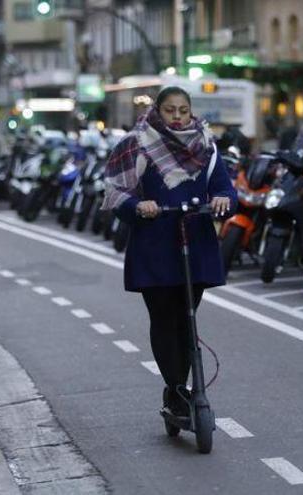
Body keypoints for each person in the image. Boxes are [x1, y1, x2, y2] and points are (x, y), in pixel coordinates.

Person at [102, 86, 236, 417]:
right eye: (169, 110)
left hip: (196, 244)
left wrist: (223, 201)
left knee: (186, 319)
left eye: (183, 110)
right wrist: (138, 205)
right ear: (157, 111)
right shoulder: (136, 143)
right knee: (163, 318)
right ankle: (176, 389)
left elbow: (225, 189)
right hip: (155, 245)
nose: (177, 116)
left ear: (191, 112)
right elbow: (116, 193)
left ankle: (180, 389)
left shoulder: (206, 145)